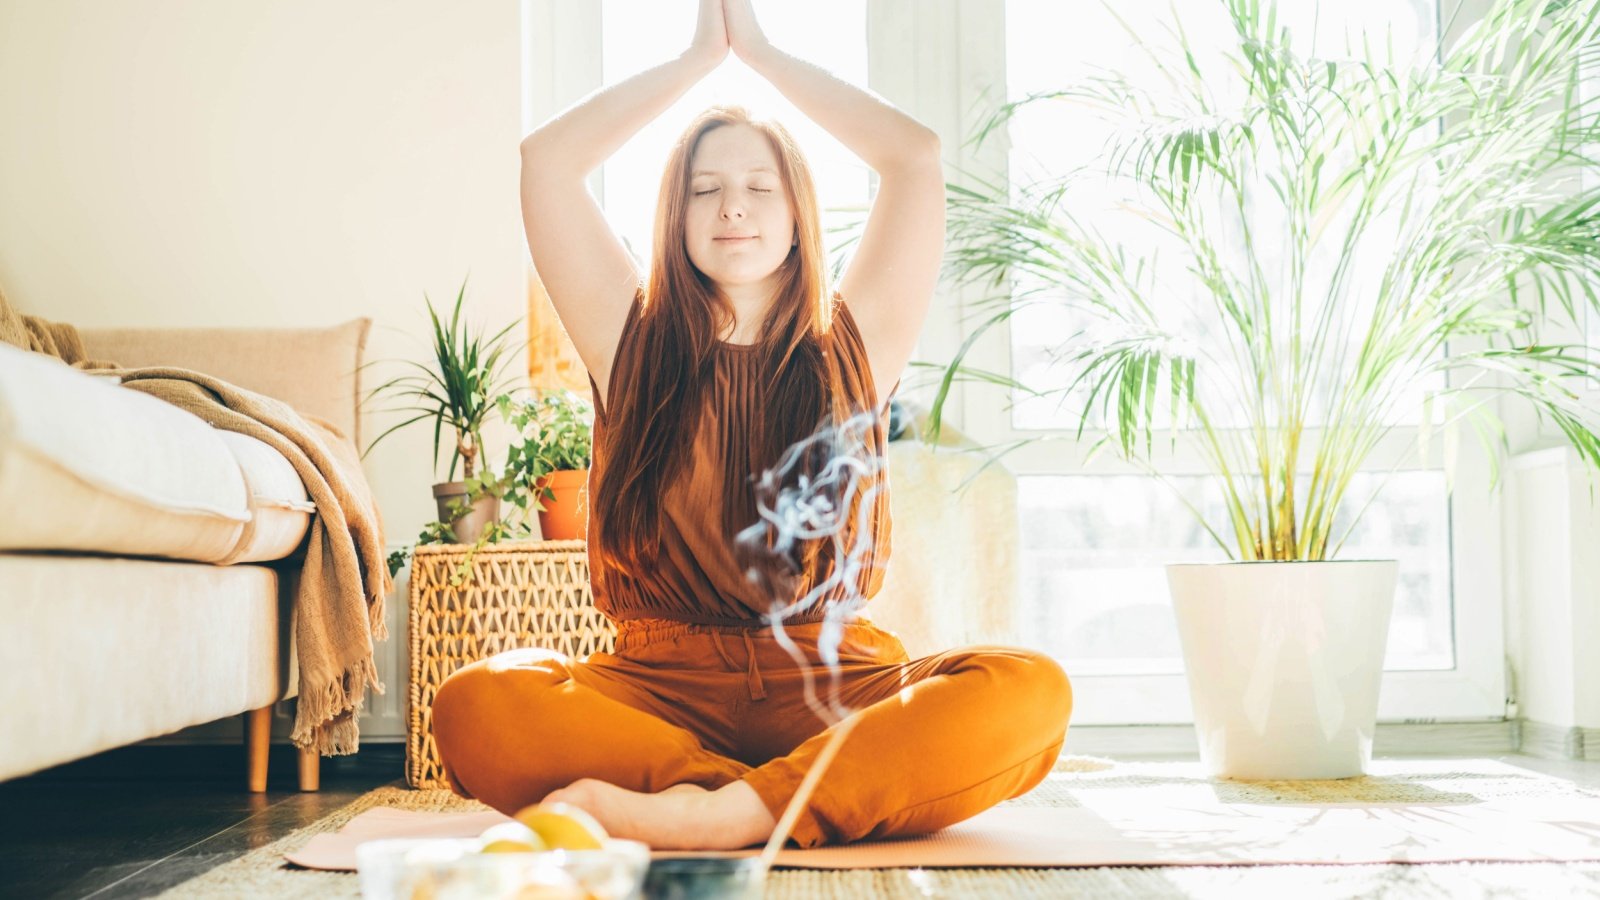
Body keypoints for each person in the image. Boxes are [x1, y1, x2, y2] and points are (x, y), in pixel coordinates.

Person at [430, 0, 1073, 851]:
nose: (733, 207)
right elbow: (547, 162)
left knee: (1027, 687)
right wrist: (701, 58)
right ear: (677, 215)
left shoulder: (856, 340)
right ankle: (788, 796)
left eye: (758, 187)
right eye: (706, 189)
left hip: (834, 678)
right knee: (476, 703)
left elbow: (913, 157)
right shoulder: (627, 337)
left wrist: (760, 53)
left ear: (798, 212)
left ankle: (715, 813)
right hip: (657, 690)